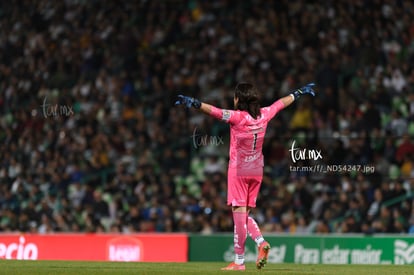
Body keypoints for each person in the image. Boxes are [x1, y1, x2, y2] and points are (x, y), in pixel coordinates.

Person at [175, 82, 316, 270]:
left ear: (239, 99)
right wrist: (298, 93)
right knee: (244, 215)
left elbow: (215, 112)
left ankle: (240, 261)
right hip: (257, 169)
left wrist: (195, 103)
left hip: (239, 169)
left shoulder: (237, 117)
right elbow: (280, 103)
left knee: (239, 216)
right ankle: (260, 242)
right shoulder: (265, 114)